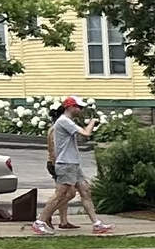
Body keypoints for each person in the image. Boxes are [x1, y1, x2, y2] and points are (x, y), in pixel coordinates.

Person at [34, 97, 111, 235]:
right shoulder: (64, 121)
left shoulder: (67, 122)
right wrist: (93, 122)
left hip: (73, 163)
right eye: (78, 107)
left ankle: (97, 224)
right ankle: (40, 221)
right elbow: (86, 133)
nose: (81, 110)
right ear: (70, 107)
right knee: (60, 194)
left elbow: (81, 137)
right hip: (65, 163)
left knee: (85, 191)